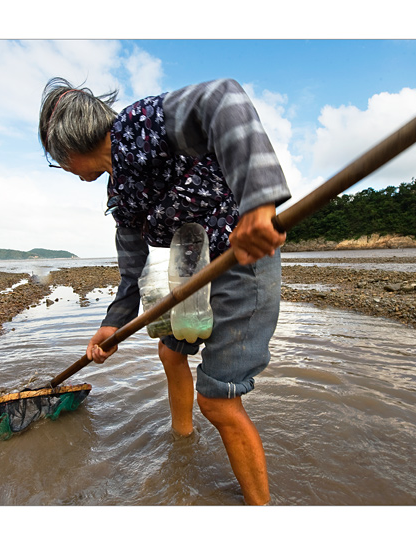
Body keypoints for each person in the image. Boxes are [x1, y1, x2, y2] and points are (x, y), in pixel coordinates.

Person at [38, 78, 291, 505]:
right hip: (190, 272)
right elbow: (132, 263)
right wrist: (111, 324)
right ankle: (182, 444)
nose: (63, 168)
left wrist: (258, 204)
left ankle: (261, 509)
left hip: (240, 258)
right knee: (170, 352)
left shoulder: (142, 126)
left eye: (57, 160)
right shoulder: (119, 191)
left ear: (67, 148)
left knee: (218, 400)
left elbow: (222, 98)